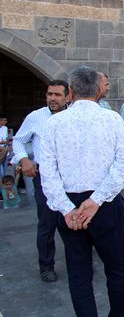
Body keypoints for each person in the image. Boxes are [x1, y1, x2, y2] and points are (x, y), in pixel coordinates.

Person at [39, 66, 124, 316]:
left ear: (70, 92)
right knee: (118, 269)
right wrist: (95, 200)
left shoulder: (55, 123)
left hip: (73, 202)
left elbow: (48, 173)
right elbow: (123, 164)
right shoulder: (111, 119)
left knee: (79, 272)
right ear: (98, 90)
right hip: (105, 204)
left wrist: (68, 208)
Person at [10, 79, 70, 282]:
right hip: (45, 179)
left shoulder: (74, 117)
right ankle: (46, 266)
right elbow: (18, 140)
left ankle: (79, 261)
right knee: (47, 223)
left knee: (75, 222)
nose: (52, 98)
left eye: (57, 95)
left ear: (68, 96)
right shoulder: (36, 117)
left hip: (71, 179)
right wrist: (24, 159)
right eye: (49, 94)